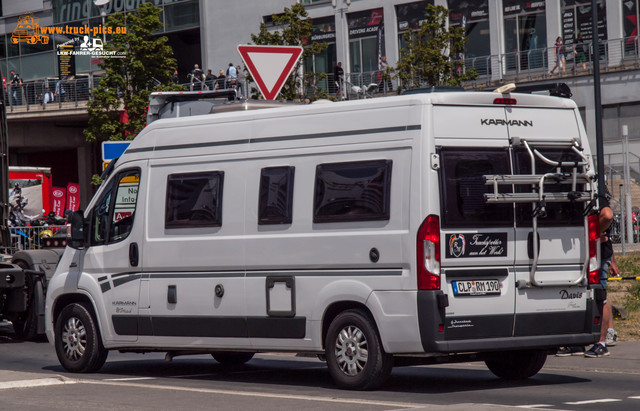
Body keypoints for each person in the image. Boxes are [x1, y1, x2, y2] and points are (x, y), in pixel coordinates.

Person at [584, 194, 619, 357]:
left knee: (601, 296)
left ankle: (601, 342)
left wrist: (592, 235)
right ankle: (601, 337)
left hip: (598, 255)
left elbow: (607, 215)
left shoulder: (595, 193)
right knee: (598, 295)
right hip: (597, 253)